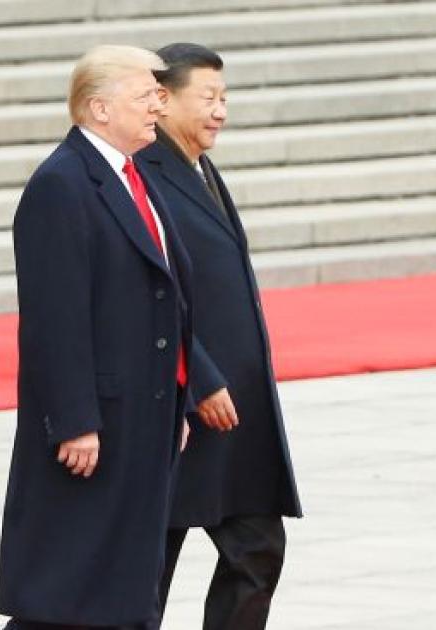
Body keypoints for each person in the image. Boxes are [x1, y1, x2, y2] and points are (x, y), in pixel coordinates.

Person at [0, 45, 212, 629]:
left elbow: (165, 298)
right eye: (146, 95)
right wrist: (74, 420)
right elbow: (53, 317)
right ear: (99, 108)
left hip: (146, 410)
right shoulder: (62, 185)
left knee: (122, 581)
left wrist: (179, 397)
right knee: (68, 589)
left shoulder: (133, 175)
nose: (158, 106)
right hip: (99, 422)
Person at [137, 43, 303, 629]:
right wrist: (200, 376)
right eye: (208, 97)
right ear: (162, 100)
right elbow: (152, 295)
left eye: (224, 97)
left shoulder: (198, 166)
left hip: (235, 409)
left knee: (256, 548)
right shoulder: (143, 173)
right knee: (148, 567)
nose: (220, 111)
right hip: (182, 400)